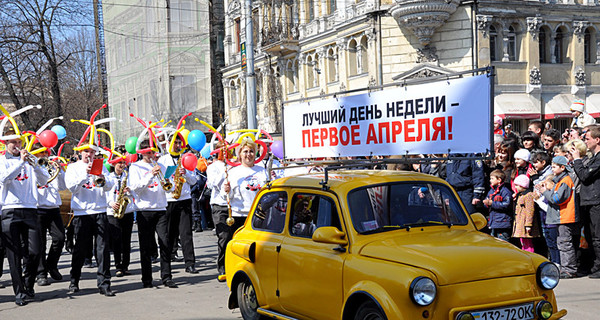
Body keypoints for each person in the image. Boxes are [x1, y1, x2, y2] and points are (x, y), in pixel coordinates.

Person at [0, 133, 49, 306]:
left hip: (30, 209)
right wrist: (21, 162)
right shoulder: (2, 161)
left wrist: (34, 165)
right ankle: (19, 292)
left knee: (35, 251)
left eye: (19, 142)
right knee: (13, 255)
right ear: (6, 144)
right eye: (13, 142)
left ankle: (28, 284)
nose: (17, 145)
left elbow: (44, 180)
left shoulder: (30, 160)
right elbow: (4, 178)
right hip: (10, 209)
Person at [64, 146, 115, 296]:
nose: (89, 154)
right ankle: (74, 280)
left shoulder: (101, 167)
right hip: (82, 213)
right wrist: (85, 175)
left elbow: (110, 186)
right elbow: (72, 188)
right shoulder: (73, 167)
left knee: (102, 249)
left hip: (99, 211)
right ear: (81, 152)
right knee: (80, 249)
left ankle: (104, 283)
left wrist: (104, 179)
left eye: (92, 152)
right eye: (87, 152)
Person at [129, 140, 177, 288]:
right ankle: (147, 278)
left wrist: (168, 180)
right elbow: (135, 188)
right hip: (145, 210)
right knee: (146, 245)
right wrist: (150, 175)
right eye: (148, 153)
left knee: (165, 242)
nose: (152, 155)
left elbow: (170, 188)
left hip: (161, 208)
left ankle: (167, 276)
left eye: (153, 152)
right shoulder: (135, 167)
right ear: (142, 153)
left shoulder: (161, 166)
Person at [158, 135, 199, 274]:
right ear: (168, 143)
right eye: (174, 142)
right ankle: (167, 262)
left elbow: (194, 181)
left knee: (186, 233)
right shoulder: (162, 160)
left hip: (184, 199)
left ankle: (190, 263)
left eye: (179, 142)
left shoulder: (186, 159)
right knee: (169, 233)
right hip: (169, 200)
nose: (177, 145)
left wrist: (186, 173)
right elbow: (161, 181)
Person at [542, 156, 580, 279]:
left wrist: (545, 192)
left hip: (565, 217)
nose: (552, 169)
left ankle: (569, 269)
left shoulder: (565, 181)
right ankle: (566, 268)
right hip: (562, 217)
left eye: (554, 167)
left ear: (562, 167)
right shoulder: (561, 181)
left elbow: (557, 198)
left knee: (565, 243)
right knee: (563, 243)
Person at [570, 126, 600, 278]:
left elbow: (584, 176)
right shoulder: (594, 157)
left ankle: (599, 267)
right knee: (589, 236)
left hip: (596, 202)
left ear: (597, 139)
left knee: (597, 236)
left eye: (587, 138)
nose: (585, 141)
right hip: (588, 201)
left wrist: (576, 159)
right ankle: (593, 266)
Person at [35, 145, 67, 286]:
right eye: (40, 153)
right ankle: (41, 273)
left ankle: (51, 264)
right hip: (38, 208)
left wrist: (60, 172)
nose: (43, 155)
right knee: (39, 243)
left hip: (53, 208)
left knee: (60, 238)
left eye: (45, 153)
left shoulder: (52, 166)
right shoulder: (32, 167)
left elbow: (62, 187)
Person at [106, 149, 136, 278]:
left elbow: (136, 193)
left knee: (126, 239)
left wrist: (130, 191)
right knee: (116, 239)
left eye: (123, 163)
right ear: (114, 164)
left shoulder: (128, 177)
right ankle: (118, 265)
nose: (122, 165)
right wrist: (110, 203)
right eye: (119, 163)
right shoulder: (108, 177)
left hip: (127, 210)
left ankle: (126, 265)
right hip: (112, 212)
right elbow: (104, 193)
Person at [206, 142, 229, 280]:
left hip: (233, 205)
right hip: (219, 205)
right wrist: (224, 169)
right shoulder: (213, 167)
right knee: (224, 237)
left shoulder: (234, 165)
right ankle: (222, 266)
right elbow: (213, 183)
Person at [534, 174, 561, 265]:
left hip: (552, 223)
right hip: (545, 223)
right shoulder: (545, 195)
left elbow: (548, 209)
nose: (544, 186)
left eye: (546, 184)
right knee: (549, 244)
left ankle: (557, 262)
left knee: (555, 243)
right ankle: (553, 261)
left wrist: (538, 201)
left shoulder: (553, 195)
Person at [483, 170, 513, 242]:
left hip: (503, 223)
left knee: (503, 243)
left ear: (499, 180)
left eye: (492, 178)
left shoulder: (505, 191)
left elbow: (507, 204)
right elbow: (487, 202)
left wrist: (492, 203)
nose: (490, 180)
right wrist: (486, 203)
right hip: (493, 223)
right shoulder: (491, 191)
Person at [512, 175, 540, 252]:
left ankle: (530, 256)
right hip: (520, 223)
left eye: (517, 185)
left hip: (525, 224)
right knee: (523, 242)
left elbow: (530, 210)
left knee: (528, 243)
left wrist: (528, 225)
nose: (516, 187)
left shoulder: (528, 196)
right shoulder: (521, 195)